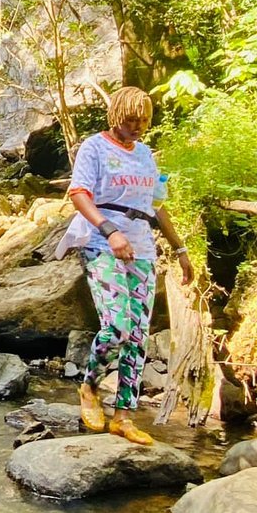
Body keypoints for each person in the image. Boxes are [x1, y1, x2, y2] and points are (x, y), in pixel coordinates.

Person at [58, 86, 194, 444]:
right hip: (102, 242)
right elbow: (79, 194)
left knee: (137, 335)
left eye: (143, 121)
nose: (137, 126)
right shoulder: (94, 147)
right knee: (117, 325)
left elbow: (157, 205)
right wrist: (109, 230)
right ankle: (88, 388)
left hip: (142, 248)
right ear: (116, 115)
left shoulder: (146, 154)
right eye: (131, 119)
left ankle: (124, 416)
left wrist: (180, 249)